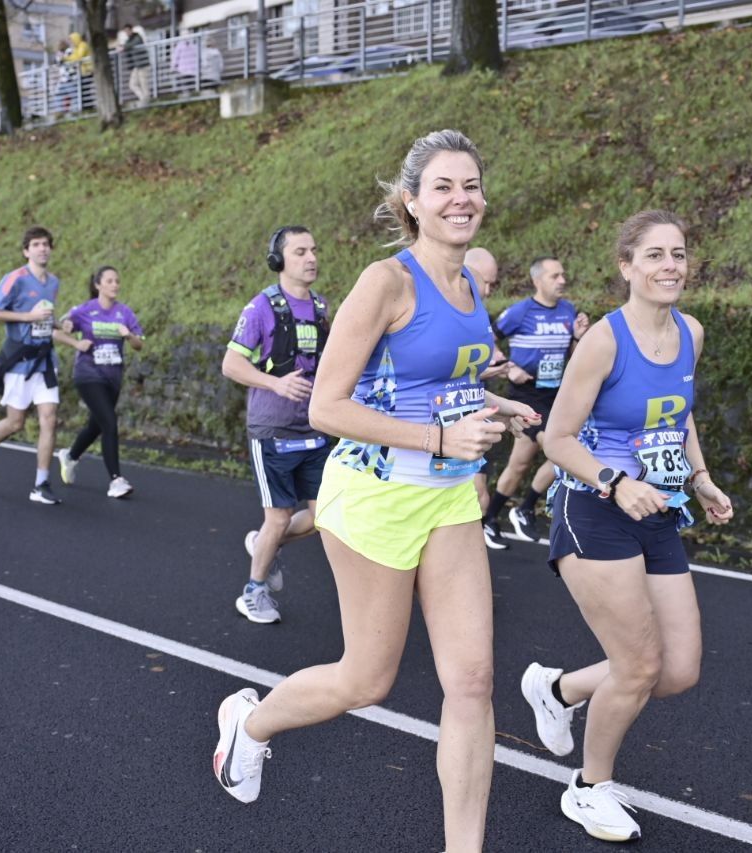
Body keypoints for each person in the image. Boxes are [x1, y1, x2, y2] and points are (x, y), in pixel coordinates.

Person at [211, 130, 539, 852]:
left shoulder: (469, 285)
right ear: (413, 203)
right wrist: (441, 439)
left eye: (472, 185)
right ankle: (251, 721)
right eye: (445, 187)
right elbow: (327, 405)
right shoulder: (384, 281)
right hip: (375, 496)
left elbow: (438, 382)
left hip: (450, 496)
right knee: (366, 679)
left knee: (475, 680)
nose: (463, 199)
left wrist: (492, 405)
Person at [520, 210, 734, 842]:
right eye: (654, 256)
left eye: (679, 253)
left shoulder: (690, 332)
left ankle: (557, 690)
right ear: (627, 267)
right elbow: (555, 437)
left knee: (678, 671)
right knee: (638, 665)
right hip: (594, 510)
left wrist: (700, 478)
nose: (670, 266)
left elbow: (680, 416)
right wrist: (614, 482)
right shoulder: (604, 342)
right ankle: (590, 789)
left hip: (659, 510)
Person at [221, 226, 332, 624]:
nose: (311, 257)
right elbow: (231, 364)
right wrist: (275, 382)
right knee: (280, 516)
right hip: (273, 431)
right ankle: (254, 591)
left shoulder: (320, 307)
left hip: (315, 428)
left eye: (314, 249)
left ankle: (266, 546)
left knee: (325, 516)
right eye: (300, 251)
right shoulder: (261, 307)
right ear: (279, 260)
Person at [481, 256, 589, 548]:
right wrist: (506, 364)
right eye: (555, 276)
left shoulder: (568, 311)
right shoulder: (520, 312)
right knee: (561, 451)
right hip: (526, 396)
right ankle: (525, 507)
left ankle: (489, 518)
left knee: (518, 465)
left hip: (556, 395)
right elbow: (486, 335)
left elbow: (576, 356)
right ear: (537, 281)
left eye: (563, 274)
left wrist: (579, 337)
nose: (562, 280)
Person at [0, 226, 80, 505]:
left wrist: (59, 324)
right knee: (15, 422)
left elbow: (44, 317)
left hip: (45, 360)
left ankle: (41, 484)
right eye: (36, 244)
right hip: (19, 360)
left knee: (49, 419)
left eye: (46, 244)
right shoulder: (15, 279)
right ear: (26, 251)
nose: (42, 249)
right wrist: (27, 316)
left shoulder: (52, 282)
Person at [55, 265, 144, 498]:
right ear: (98, 285)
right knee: (109, 422)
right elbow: (59, 330)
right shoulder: (85, 310)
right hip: (87, 375)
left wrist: (128, 336)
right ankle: (116, 480)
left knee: (97, 425)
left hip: (112, 377)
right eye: (110, 281)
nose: (115, 285)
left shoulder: (124, 312)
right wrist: (75, 342)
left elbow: (138, 344)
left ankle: (71, 456)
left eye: (117, 280)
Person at [463, 246, 514, 537]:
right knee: (474, 497)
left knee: (479, 497)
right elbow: (439, 375)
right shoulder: (442, 311)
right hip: (441, 431)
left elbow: (489, 354)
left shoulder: (479, 315)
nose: (491, 291)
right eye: (489, 283)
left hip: (476, 413)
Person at [119, 24, 152, 108]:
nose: (127, 33)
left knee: (143, 83)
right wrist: (121, 47)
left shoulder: (137, 37)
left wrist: (124, 47)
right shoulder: (128, 40)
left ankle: (146, 101)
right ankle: (143, 98)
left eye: (128, 30)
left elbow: (134, 43)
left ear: (131, 30)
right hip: (136, 66)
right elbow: (126, 46)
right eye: (125, 31)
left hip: (143, 64)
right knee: (132, 84)